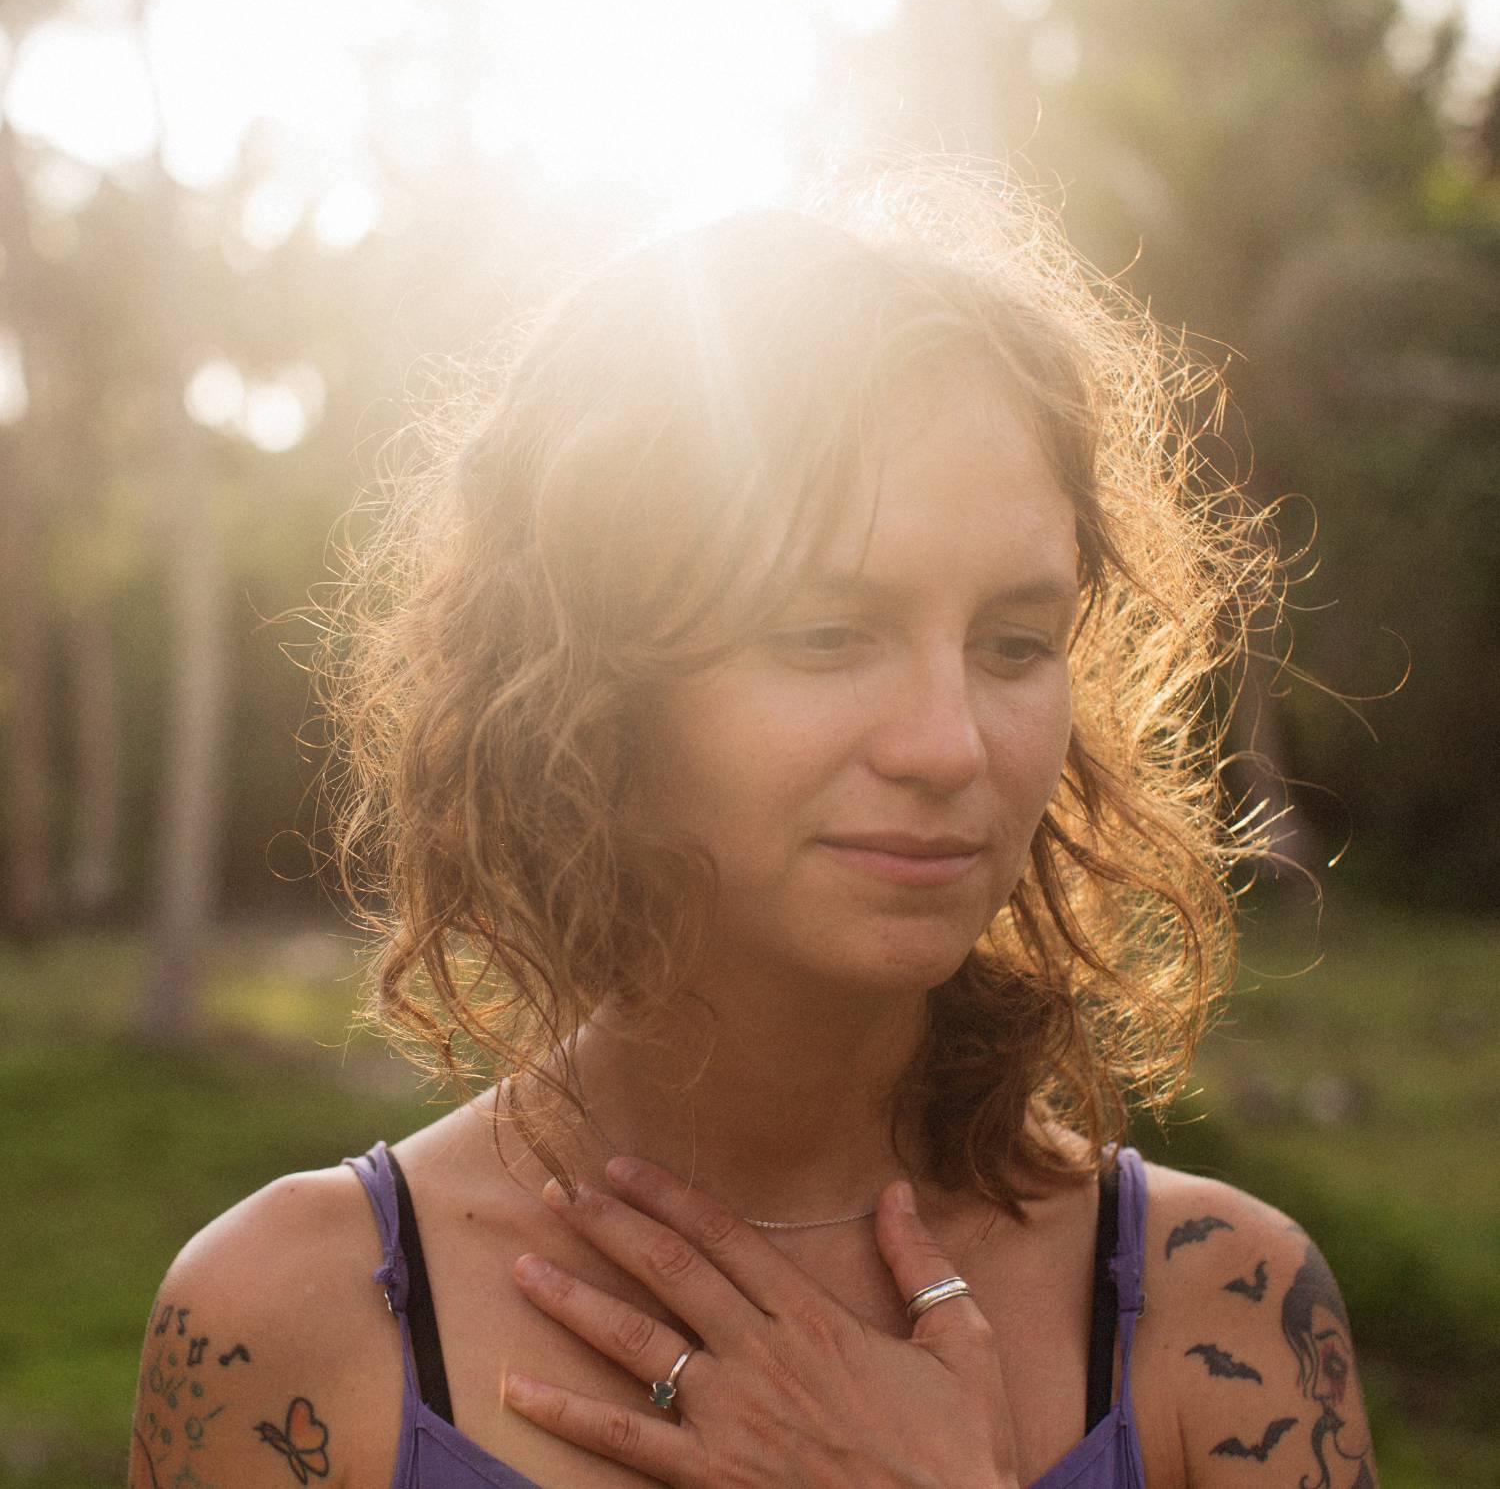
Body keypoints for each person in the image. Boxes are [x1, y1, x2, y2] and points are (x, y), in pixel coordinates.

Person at [128, 160, 1377, 1489]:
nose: (951, 744)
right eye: (829, 634)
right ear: (592, 683)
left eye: (1016, 643)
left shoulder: (1224, 1316)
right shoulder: (293, 1328)